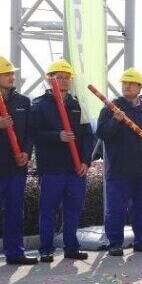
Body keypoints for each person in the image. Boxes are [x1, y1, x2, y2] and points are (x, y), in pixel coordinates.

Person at [30, 60, 95, 262]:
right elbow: (33, 134)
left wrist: (85, 161)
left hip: (75, 169)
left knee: (73, 209)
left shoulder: (77, 105)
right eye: (59, 77)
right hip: (51, 168)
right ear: (50, 80)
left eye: (67, 78)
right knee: (48, 210)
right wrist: (57, 136)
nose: (64, 81)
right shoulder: (39, 105)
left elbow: (87, 136)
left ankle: (71, 248)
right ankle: (46, 249)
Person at [97, 68, 142, 257]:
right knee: (116, 208)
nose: (126, 86)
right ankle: (115, 244)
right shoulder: (110, 109)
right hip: (119, 169)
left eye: (131, 83)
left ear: (139, 87)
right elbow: (101, 134)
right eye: (124, 83)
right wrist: (115, 121)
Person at [0, 57, 33, 266]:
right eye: (7, 73)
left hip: (16, 166)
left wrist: (26, 153)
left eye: (12, 73)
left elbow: (30, 132)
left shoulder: (23, 101)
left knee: (14, 210)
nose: (12, 77)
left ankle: (15, 253)